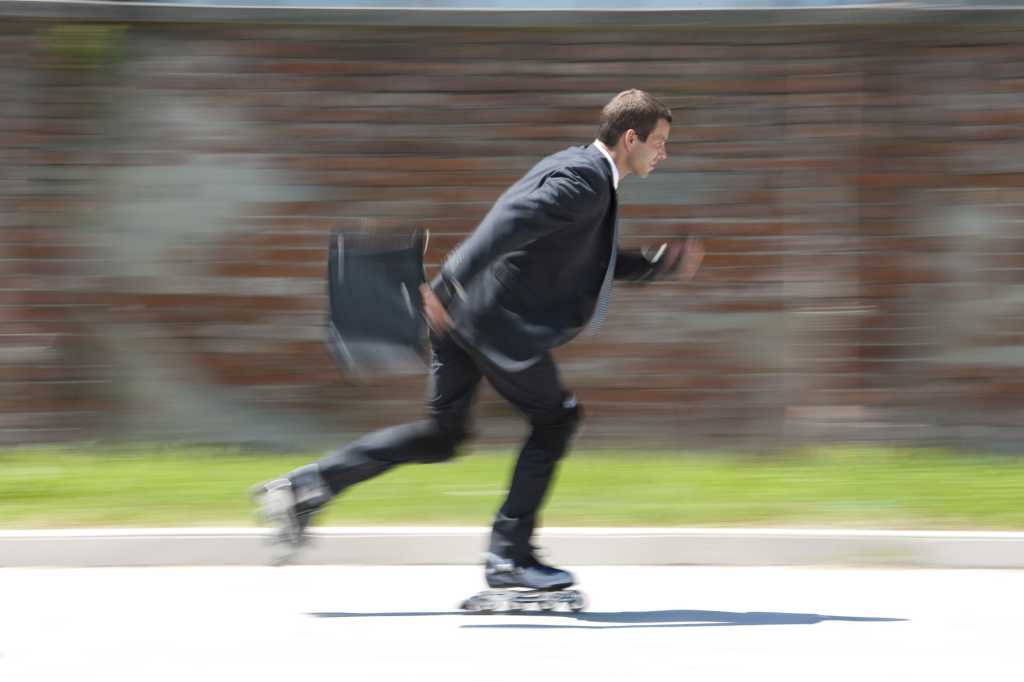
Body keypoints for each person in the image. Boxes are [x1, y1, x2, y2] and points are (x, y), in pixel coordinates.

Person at [253, 89, 705, 590]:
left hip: (467, 320)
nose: (664, 153)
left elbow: (578, 258)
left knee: (444, 435)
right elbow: (509, 221)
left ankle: (306, 487)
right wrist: (448, 283)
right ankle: (509, 556)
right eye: (659, 142)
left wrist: (654, 264)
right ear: (630, 137)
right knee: (557, 420)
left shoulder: (580, 171)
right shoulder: (585, 181)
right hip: (494, 322)